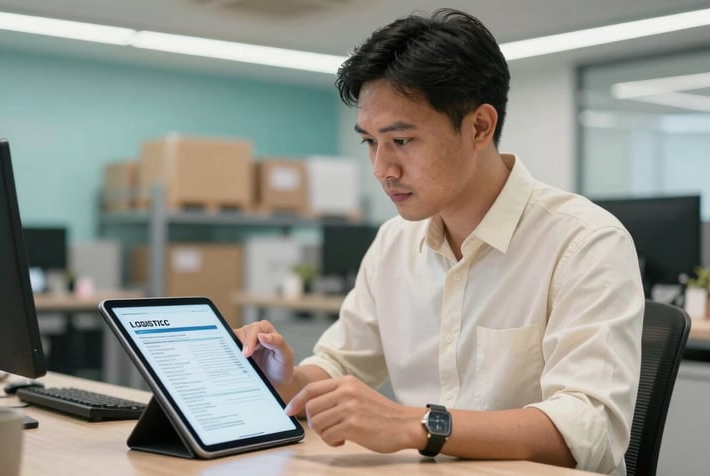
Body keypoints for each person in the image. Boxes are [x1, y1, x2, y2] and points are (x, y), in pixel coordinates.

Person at [236, 8, 643, 475]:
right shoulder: (394, 243)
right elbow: (338, 364)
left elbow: (590, 432)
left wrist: (418, 424)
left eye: (403, 141)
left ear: (479, 127)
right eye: (370, 141)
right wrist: (287, 378)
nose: (382, 169)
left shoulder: (585, 242)